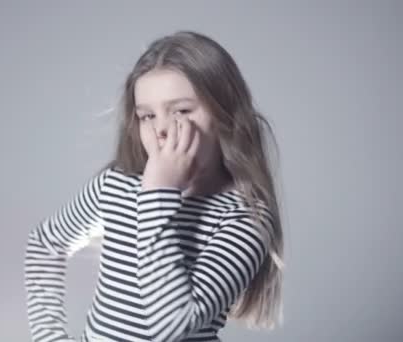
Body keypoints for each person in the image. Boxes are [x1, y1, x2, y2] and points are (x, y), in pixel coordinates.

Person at [24, 30, 285, 342]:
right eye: (147, 115)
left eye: (181, 111)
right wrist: (48, 337)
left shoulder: (244, 218)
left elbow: (168, 328)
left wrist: (157, 195)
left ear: (224, 114)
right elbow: (45, 244)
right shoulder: (116, 186)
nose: (161, 128)